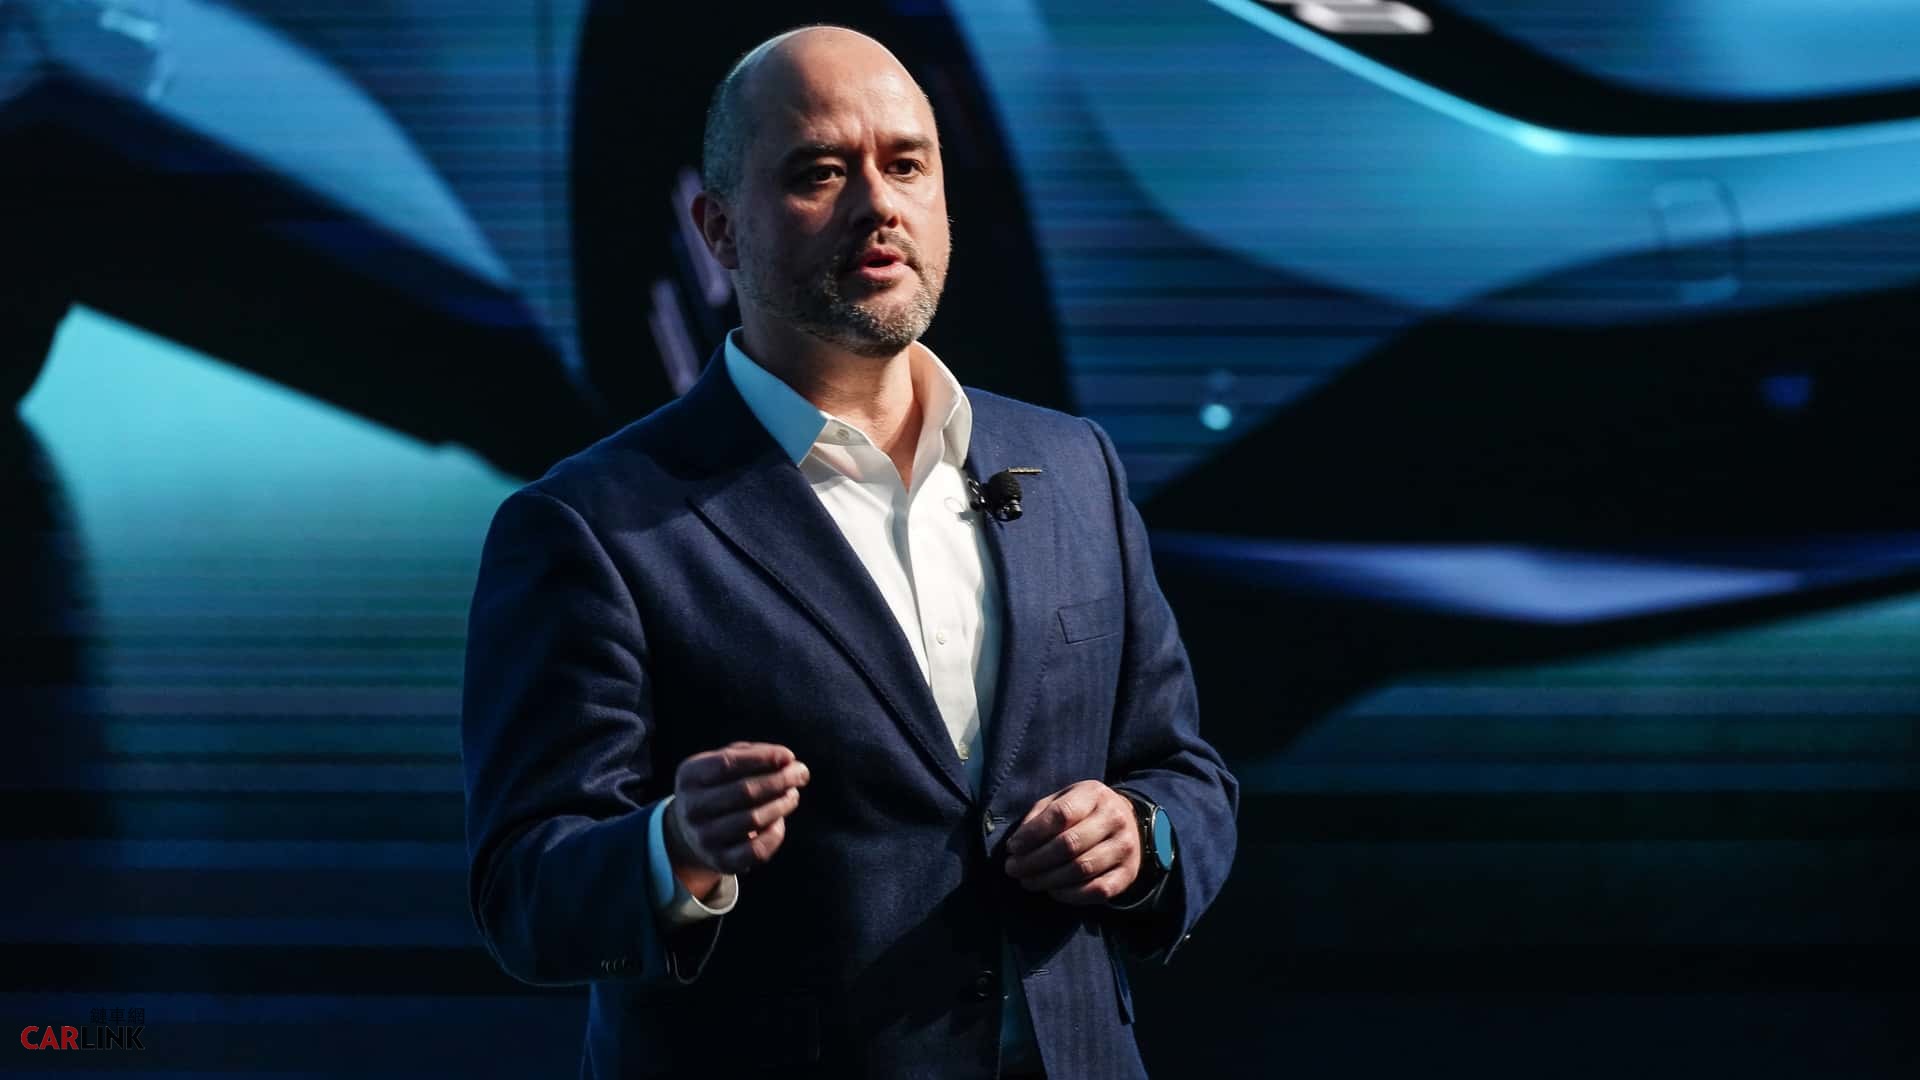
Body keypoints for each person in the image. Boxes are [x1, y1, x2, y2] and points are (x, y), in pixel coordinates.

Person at [460, 25, 1237, 1080]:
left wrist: (1143, 837)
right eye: (820, 173)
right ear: (718, 230)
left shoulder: (1073, 466)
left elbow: (1185, 771)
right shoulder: (591, 524)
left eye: (907, 164)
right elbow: (525, 891)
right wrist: (676, 849)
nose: (879, 204)